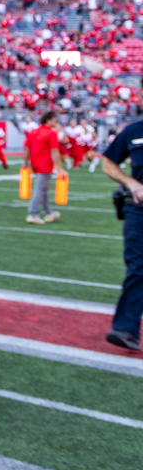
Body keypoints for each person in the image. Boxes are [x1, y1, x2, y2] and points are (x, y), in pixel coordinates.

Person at [100, 117, 143, 351]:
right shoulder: (133, 131)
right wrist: (131, 183)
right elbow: (108, 163)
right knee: (138, 266)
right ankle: (126, 329)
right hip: (139, 209)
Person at [23, 110, 65, 225]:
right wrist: (60, 167)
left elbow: (27, 149)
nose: (56, 123)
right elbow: (54, 151)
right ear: (48, 120)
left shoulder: (33, 132)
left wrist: (25, 163)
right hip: (45, 164)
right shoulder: (51, 133)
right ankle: (33, 213)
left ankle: (48, 212)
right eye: (55, 120)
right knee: (40, 189)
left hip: (35, 163)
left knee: (43, 188)